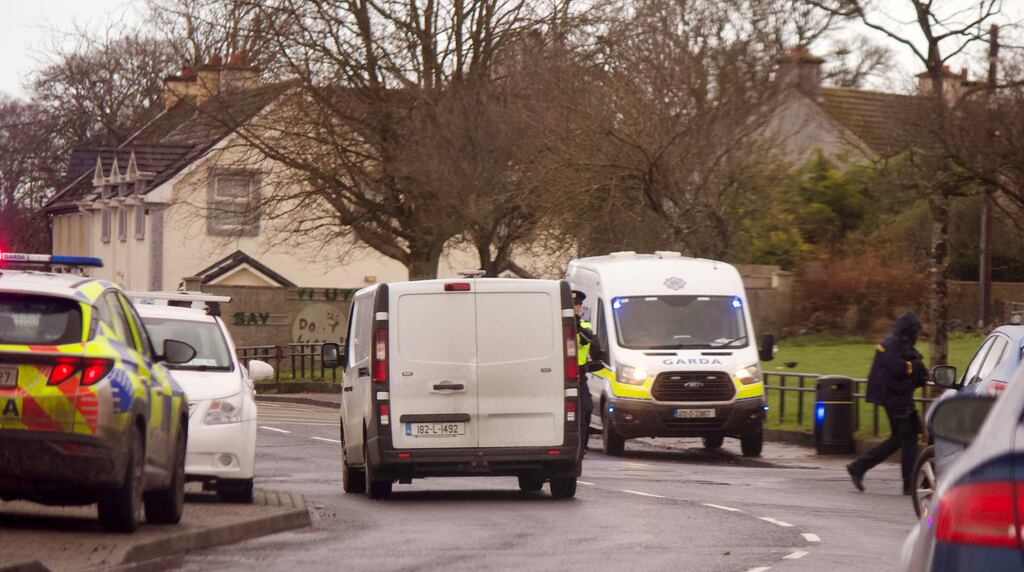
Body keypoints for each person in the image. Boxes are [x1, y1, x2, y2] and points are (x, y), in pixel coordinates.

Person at [847, 312, 929, 494]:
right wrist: (915, 366)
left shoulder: (901, 345)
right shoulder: (890, 345)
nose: (917, 336)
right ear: (908, 331)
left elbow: (913, 366)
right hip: (894, 399)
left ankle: (859, 466)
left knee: (898, 439)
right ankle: (909, 483)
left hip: (898, 397)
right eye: (915, 332)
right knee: (909, 439)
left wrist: (917, 369)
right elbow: (899, 368)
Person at [573, 290, 596, 451]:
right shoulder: (554, 324)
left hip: (579, 375)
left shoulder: (584, 325)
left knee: (587, 409)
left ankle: (582, 446)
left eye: (578, 305)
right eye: (573, 305)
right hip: (558, 375)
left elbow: (591, 341)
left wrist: (578, 327)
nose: (576, 308)